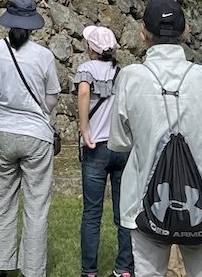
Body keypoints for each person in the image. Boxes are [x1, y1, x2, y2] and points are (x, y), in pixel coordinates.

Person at [109, 0, 202, 277]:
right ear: (186, 30)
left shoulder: (131, 77)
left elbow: (119, 141)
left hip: (146, 198)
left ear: (143, 34)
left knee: (148, 272)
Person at [0, 0, 61, 277]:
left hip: (3, 131)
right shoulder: (44, 56)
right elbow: (52, 98)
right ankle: (32, 268)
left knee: (0, 199)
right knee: (36, 205)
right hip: (37, 134)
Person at [76, 23, 132, 277]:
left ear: (92, 48)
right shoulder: (123, 73)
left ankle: (89, 271)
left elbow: (84, 91)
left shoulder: (86, 69)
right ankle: (124, 268)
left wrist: (84, 127)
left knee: (92, 212)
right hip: (121, 147)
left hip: (95, 147)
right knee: (124, 212)